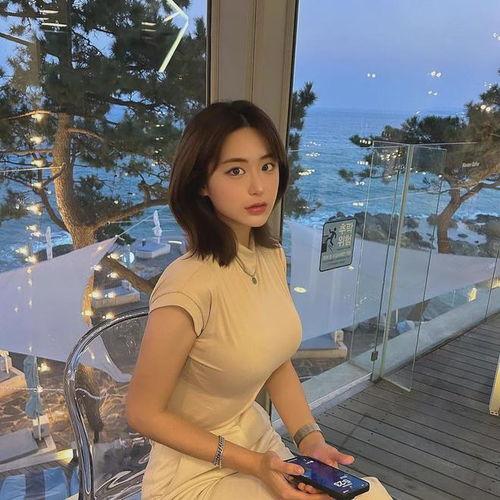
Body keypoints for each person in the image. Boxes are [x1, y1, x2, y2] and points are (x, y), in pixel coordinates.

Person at [126, 100, 391, 499]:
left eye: (267, 166)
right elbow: (142, 413)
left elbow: (275, 362)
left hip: (255, 441)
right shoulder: (186, 286)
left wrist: (310, 439)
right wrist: (254, 465)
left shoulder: (269, 256)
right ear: (201, 183)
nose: (258, 186)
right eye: (236, 170)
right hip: (191, 471)